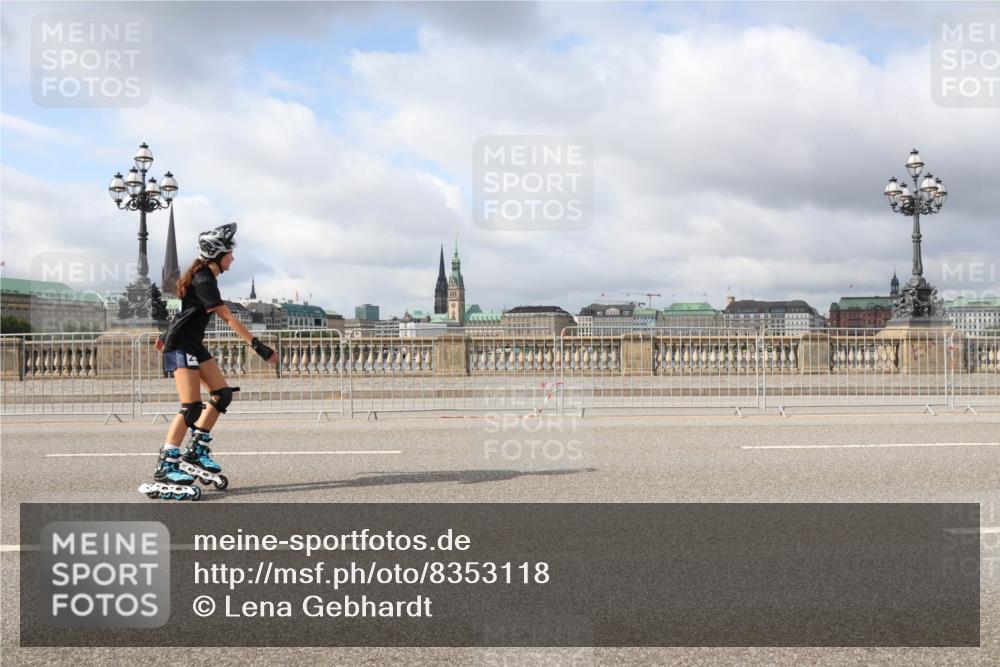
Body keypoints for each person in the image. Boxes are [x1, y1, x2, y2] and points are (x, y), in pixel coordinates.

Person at [139, 222, 278, 501]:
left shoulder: (205, 278)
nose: (233, 258)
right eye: (230, 252)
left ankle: (197, 449)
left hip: (190, 343)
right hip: (181, 347)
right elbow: (228, 318)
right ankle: (166, 465)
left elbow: (185, 312)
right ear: (217, 253)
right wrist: (259, 347)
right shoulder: (203, 279)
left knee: (222, 394)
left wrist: (165, 334)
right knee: (190, 407)